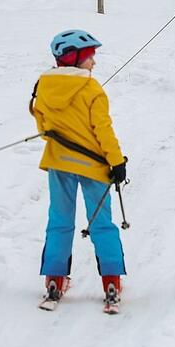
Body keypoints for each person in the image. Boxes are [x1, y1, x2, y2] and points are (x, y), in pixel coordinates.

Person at [30, 29, 128, 309]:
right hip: (94, 167)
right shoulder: (91, 89)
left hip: (58, 163)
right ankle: (111, 280)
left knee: (59, 221)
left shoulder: (43, 85)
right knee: (102, 224)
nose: (94, 63)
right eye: (90, 57)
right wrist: (116, 161)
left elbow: (44, 127)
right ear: (75, 59)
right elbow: (103, 130)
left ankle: (54, 280)